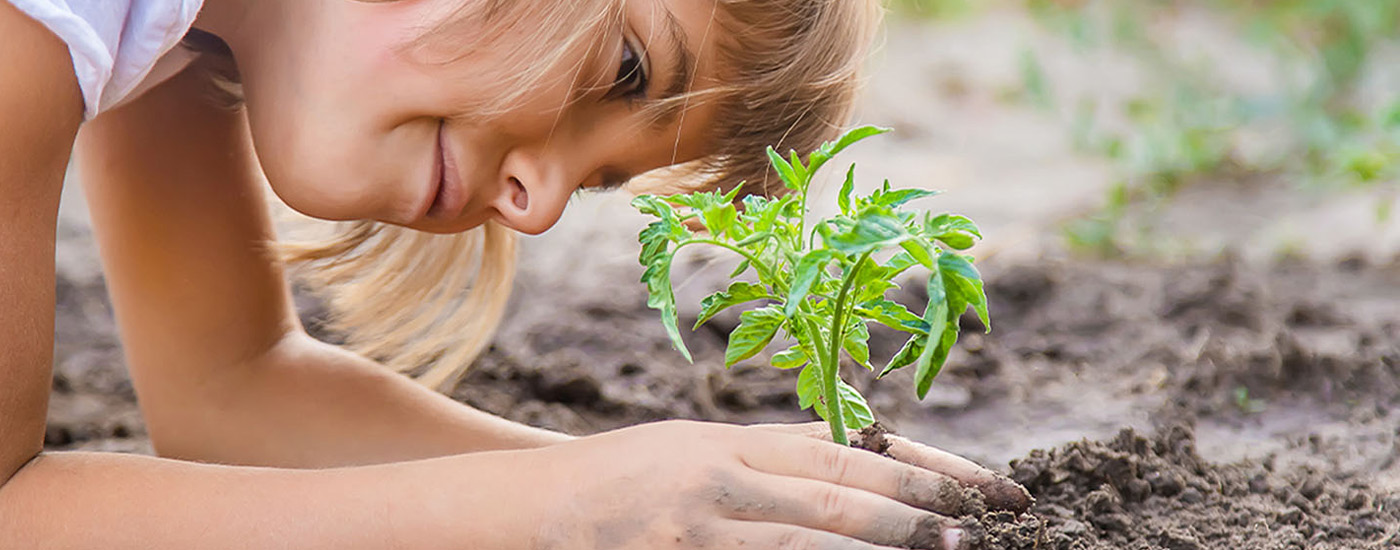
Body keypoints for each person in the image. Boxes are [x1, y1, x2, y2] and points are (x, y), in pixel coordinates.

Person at [0, 0, 1030, 548]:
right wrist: (547, 513)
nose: (533, 209)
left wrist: (665, 495)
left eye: (593, 181)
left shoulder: (192, 35)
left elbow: (227, 387)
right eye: (628, 69)